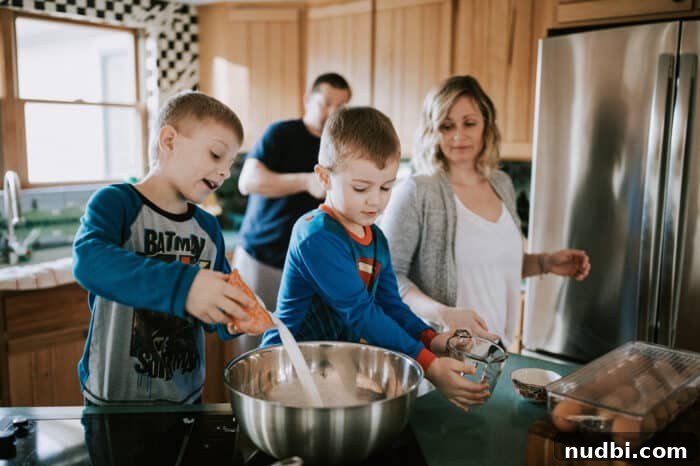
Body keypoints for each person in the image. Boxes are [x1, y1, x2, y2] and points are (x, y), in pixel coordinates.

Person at [261, 107, 491, 411]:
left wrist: (433, 339)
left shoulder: (376, 239)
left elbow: (391, 306)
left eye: (386, 186)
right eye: (361, 188)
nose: (376, 200)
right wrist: (430, 364)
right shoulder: (316, 236)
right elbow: (360, 313)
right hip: (289, 369)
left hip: (331, 370)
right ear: (324, 177)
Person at [380, 75, 591, 349]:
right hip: (440, 354)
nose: (458, 136)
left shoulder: (501, 184)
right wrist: (444, 314)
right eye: (446, 125)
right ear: (432, 130)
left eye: (469, 123)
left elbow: (491, 265)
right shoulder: (417, 191)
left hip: (497, 350)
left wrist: (544, 263)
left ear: (486, 125)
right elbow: (386, 276)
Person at [73, 91, 255, 405]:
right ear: (169, 141)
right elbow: (88, 261)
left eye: (230, 163)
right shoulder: (117, 203)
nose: (225, 172)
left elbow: (213, 311)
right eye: (215, 155)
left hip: (185, 398)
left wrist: (235, 313)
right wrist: (185, 288)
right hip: (114, 402)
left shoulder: (208, 229)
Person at [235, 73, 352, 310]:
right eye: (326, 104)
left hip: (307, 263)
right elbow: (247, 182)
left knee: (296, 342)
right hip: (261, 256)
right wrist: (306, 181)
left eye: (339, 107)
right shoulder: (281, 133)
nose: (332, 113)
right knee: (252, 337)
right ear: (308, 100)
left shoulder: (341, 147)